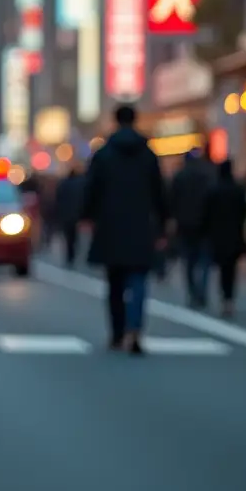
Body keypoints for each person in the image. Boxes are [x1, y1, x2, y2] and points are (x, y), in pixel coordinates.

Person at [82, 104, 168, 354]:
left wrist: (88, 217)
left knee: (115, 284)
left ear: (115, 121)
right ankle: (135, 329)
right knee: (139, 280)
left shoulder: (104, 154)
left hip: (110, 226)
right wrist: (163, 225)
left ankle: (117, 333)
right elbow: (159, 193)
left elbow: (91, 189)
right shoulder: (148, 154)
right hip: (142, 225)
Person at [169, 148, 216, 308]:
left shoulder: (180, 176)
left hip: (185, 223)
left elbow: (172, 200)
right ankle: (201, 291)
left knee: (189, 261)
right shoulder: (207, 175)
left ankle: (193, 292)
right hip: (205, 223)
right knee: (204, 261)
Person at [202, 159, 246, 318]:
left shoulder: (213, 190)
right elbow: (244, 211)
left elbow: (206, 213)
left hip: (218, 235)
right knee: (231, 269)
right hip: (234, 234)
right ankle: (229, 298)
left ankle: (224, 298)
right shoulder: (238, 189)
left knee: (222, 269)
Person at [53, 165, 85, 266]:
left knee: (68, 236)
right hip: (75, 213)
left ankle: (69, 256)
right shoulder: (80, 184)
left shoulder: (64, 184)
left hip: (65, 213)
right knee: (74, 236)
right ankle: (73, 254)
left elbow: (58, 198)